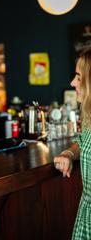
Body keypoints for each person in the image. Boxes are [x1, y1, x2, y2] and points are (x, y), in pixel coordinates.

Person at [54, 49, 91, 239]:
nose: (72, 83)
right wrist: (69, 153)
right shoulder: (89, 116)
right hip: (86, 215)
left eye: (78, 77)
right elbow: (83, 140)